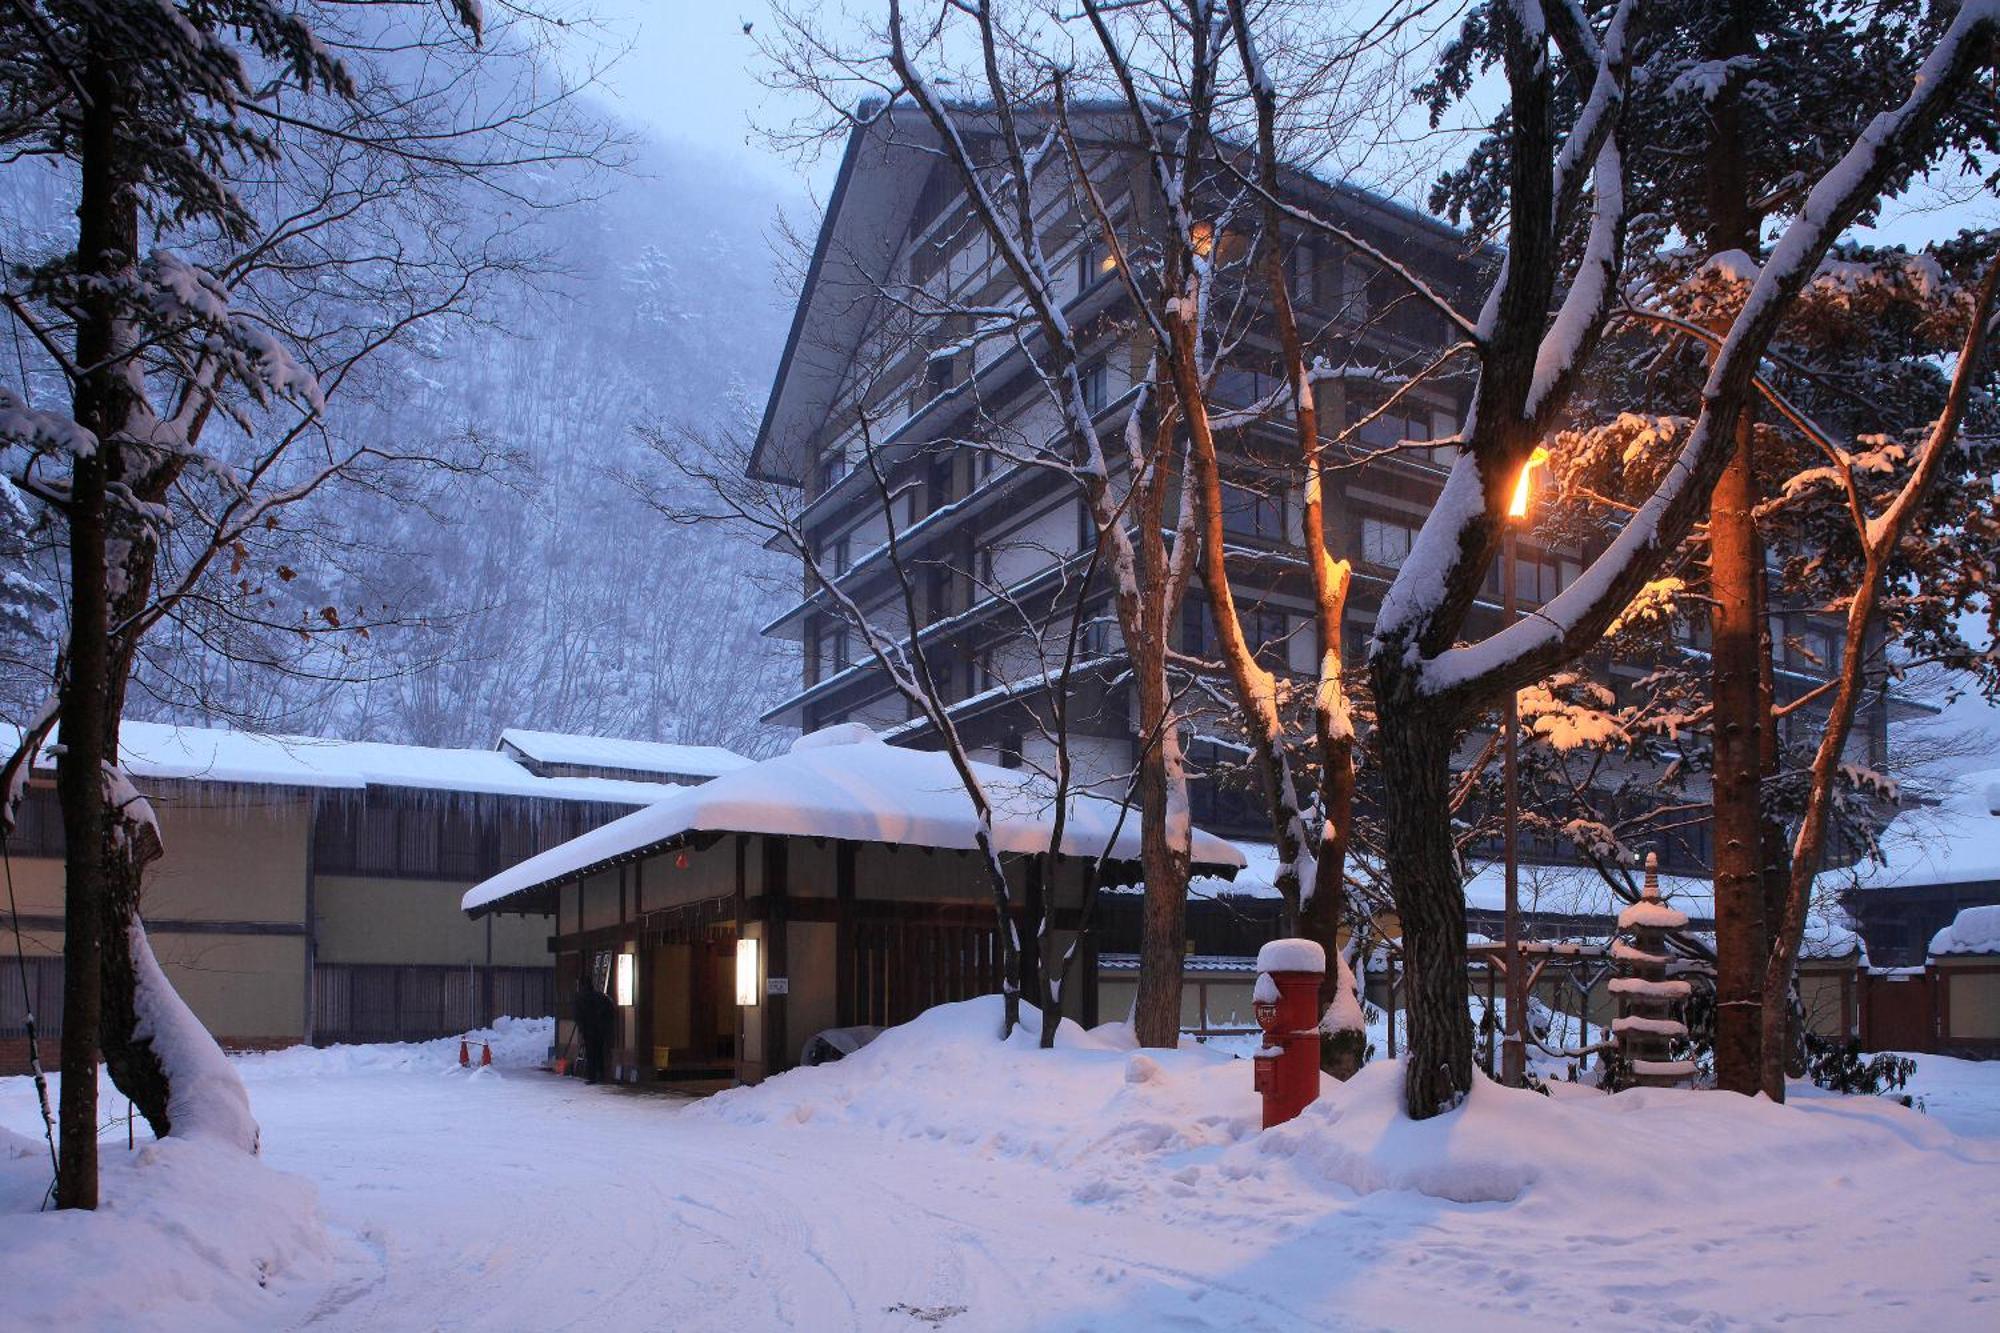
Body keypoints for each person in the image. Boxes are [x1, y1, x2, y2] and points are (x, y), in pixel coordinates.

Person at [574, 971, 614, 1085]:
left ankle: (592, 1076)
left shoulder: (580, 998)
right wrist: (605, 1025)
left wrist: (582, 1028)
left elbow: (578, 1016)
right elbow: (610, 1009)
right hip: (600, 1030)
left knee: (591, 1053)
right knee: (600, 1052)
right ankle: (601, 1074)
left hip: (589, 1030)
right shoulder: (601, 996)